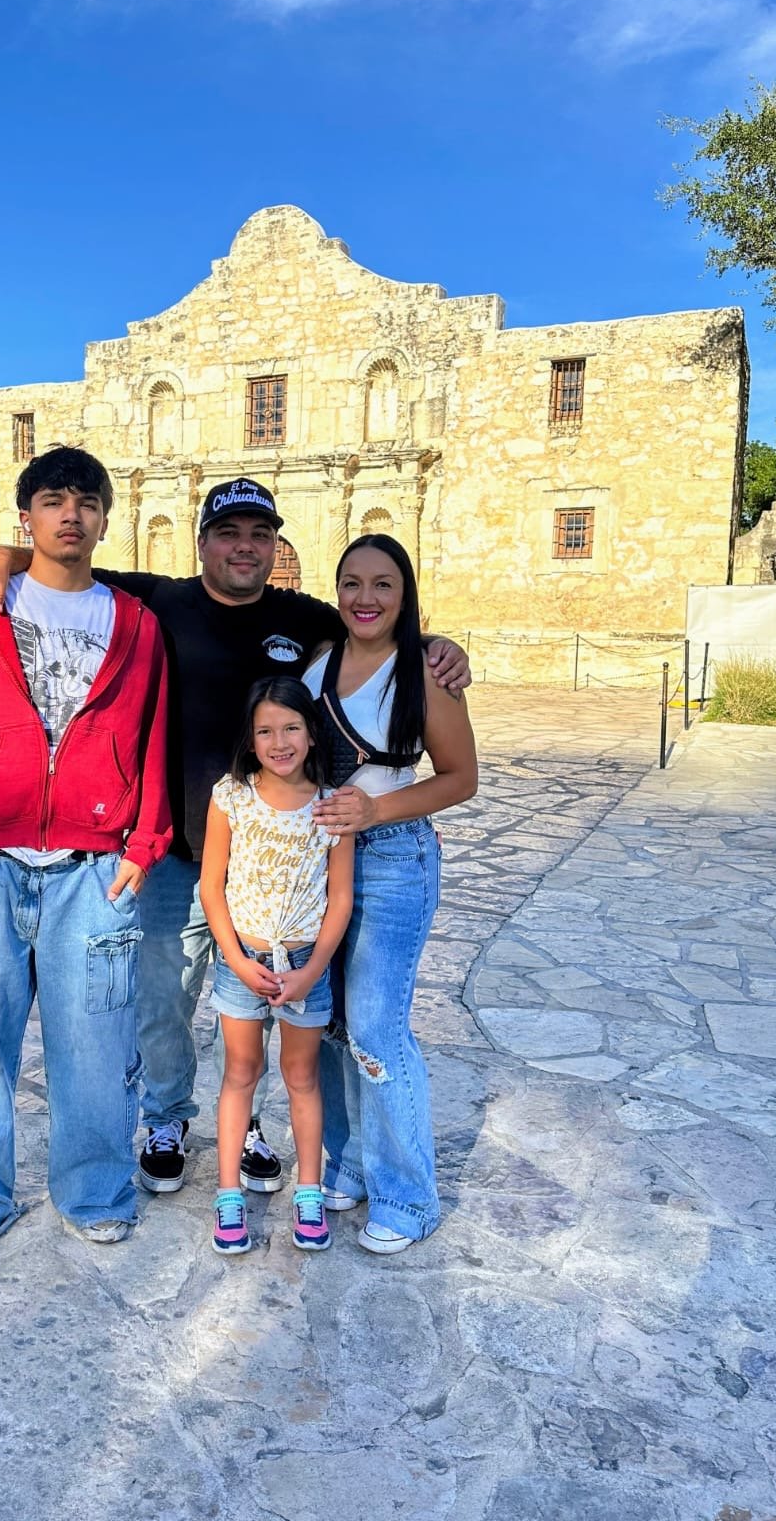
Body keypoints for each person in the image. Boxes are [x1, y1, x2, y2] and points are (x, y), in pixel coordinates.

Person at [0, 478, 470, 1198]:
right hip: (171, 851)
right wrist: (3, 551)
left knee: (258, 1001)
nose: (245, 547)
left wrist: (436, 645)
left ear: (275, 545)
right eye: (229, 533)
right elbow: (68, 564)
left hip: (266, 859)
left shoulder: (304, 619)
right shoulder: (159, 600)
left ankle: (246, 1121)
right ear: (202, 543)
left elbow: (371, 622)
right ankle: (166, 1117)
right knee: (162, 1003)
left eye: (260, 534)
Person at [0, 446, 171, 1250]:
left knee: (93, 1046)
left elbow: (155, 732)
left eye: (87, 501)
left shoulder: (135, 623)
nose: (70, 514)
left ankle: (94, 1194)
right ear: (27, 517)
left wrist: (141, 845)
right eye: (53, 500)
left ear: (104, 518)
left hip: (94, 870)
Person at [303, 534, 477, 1254]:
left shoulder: (424, 673)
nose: (365, 598)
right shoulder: (318, 664)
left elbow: (460, 777)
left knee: (377, 1026)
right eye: (351, 583)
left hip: (394, 858)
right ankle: (348, 1164)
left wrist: (374, 811)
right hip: (321, 862)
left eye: (382, 585)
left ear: (404, 596)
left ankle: (409, 1196)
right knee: (333, 1027)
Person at [200, 677, 354, 1256]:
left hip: (304, 969)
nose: (279, 740)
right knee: (240, 1073)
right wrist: (237, 960)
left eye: (291, 727)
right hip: (243, 961)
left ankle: (308, 1190)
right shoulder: (231, 796)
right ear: (251, 738)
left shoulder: (331, 805)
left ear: (312, 734)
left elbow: (339, 898)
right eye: (265, 730)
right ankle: (228, 1193)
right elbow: (212, 887)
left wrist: (312, 971)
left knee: (302, 1078)